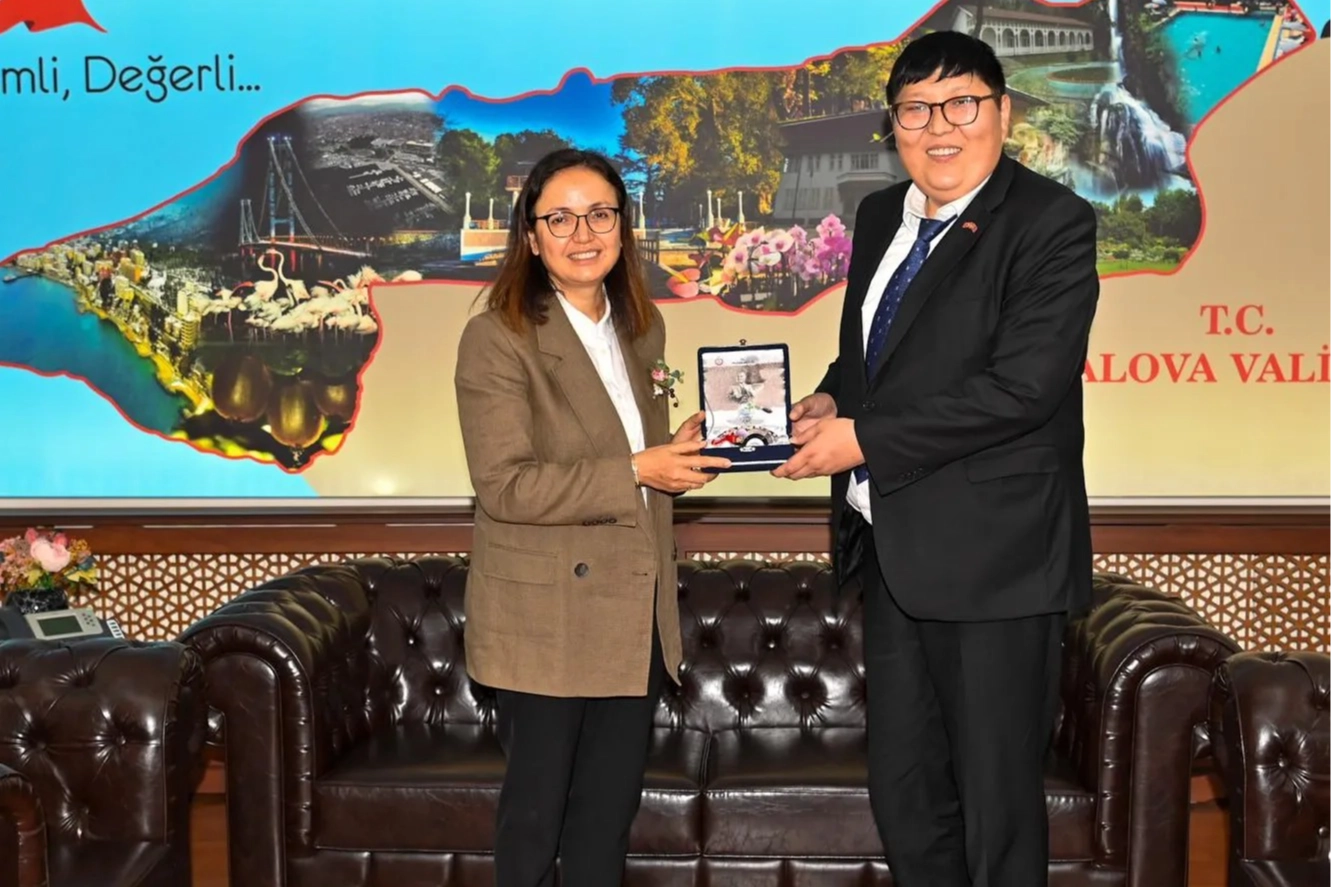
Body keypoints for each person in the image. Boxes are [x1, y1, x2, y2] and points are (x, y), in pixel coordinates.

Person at [773, 30, 1100, 887]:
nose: (938, 126)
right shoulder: (881, 215)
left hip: (997, 564)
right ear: (892, 126)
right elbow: (876, 357)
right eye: (915, 110)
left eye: (961, 103)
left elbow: (1022, 389)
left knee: (995, 811)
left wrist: (862, 440)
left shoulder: (1051, 222)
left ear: (1003, 113)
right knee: (907, 796)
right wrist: (830, 399)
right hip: (894, 554)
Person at [454, 148, 730, 887]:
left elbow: (631, 458)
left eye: (600, 214)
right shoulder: (498, 336)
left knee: (606, 820)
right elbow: (505, 487)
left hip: (632, 612)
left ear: (623, 227)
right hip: (545, 619)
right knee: (534, 824)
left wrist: (679, 454)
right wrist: (640, 468)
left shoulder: (642, 328)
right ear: (530, 235)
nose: (583, 233)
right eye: (561, 218)